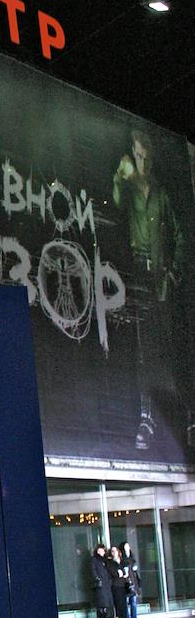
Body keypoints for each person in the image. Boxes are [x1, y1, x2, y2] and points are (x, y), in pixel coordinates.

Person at [112, 129, 184, 449]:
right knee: (143, 349)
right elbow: (116, 203)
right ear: (133, 153)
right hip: (137, 275)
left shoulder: (161, 194)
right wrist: (120, 177)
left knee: (165, 347)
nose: (142, 162)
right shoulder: (128, 188)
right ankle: (147, 416)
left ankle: (175, 417)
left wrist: (173, 271)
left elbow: (181, 236)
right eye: (138, 156)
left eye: (146, 156)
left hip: (159, 277)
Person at [90, 543, 114, 618]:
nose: (101, 552)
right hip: (100, 583)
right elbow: (93, 570)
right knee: (101, 603)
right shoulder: (94, 559)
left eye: (102, 550)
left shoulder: (106, 560)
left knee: (107, 602)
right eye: (99, 550)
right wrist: (97, 578)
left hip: (107, 583)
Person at [107, 546, 129, 618]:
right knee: (118, 603)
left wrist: (122, 573)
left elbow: (126, 571)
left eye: (115, 551)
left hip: (124, 584)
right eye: (112, 551)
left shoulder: (122, 561)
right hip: (116, 585)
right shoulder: (110, 562)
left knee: (124, 603)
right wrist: (120, 573)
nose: (114, 552)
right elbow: (113, 573)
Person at [122, 541, 141, 618]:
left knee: (133, 602)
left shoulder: (132, 558)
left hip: (133, 581)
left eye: (128, 546)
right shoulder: (123, 559)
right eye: (125, 547)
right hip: (126, 582)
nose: (127, 548)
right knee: (126, 602)